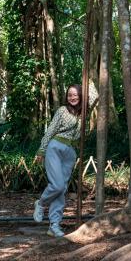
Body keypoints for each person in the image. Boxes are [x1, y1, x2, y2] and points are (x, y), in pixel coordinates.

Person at [32, 81, 97, 238]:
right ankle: (40, 204)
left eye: (75, 95)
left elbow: (95, 97)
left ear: (81, 96)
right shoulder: (62, 110)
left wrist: (87, 82)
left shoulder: (84, 113)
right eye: (69, 95)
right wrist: (41, 150)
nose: (72, 97)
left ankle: (54, 225)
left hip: (70, 153)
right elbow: (50, 131)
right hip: (55, 147)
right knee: (57, 185)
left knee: (62, 190)